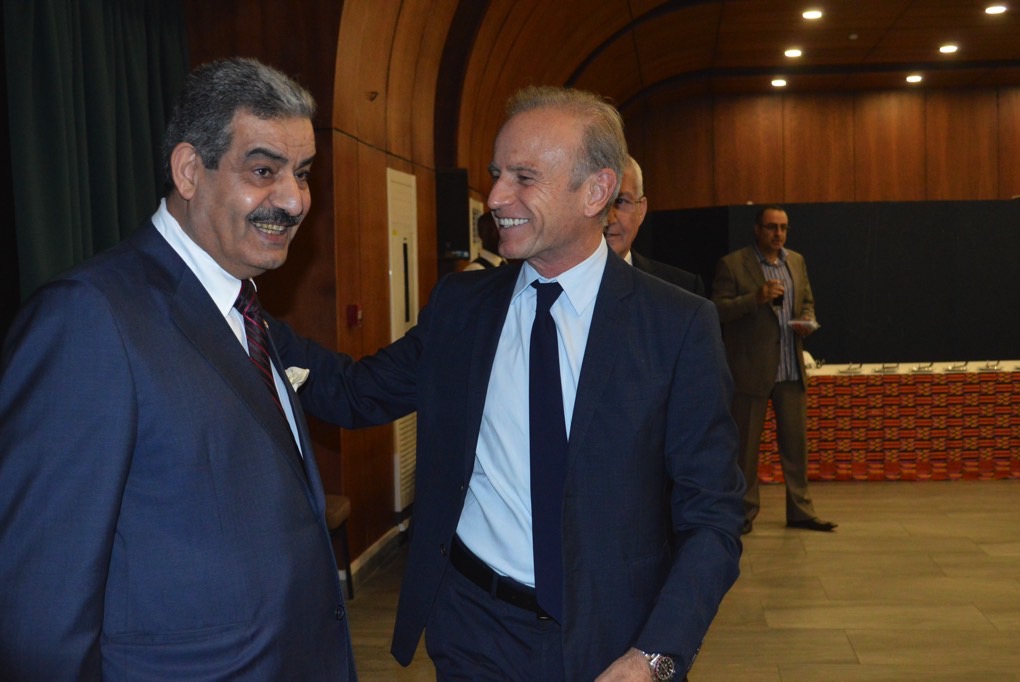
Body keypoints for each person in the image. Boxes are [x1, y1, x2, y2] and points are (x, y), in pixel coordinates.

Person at [271, 85, 744, 681]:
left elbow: (713, 517)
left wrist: (655, 653)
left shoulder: (677, 326)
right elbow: (355, 392)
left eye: (524, 177)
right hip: (472, 630)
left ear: (596, 191)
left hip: (612, 641)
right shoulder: (462, 306)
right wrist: (243, 315)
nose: (495, 197)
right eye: (497, 174)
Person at [0, 58, 357, 679]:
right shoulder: (89, 318)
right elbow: (41, 603)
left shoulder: (245, 310)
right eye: (264, 171)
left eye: (301, 174)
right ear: (190, 170)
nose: (294, 200)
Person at [710, 205, 836, 536]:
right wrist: (755, 298)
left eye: (783, 228)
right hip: (750, 372)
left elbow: (806, 301)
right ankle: (742, 513)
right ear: (757, 229)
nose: (778, 234)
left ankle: (801, 511)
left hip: (790, 369)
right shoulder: (733, 264)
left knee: (796, 448)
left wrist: (806, 320)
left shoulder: (796, 261)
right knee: (746, 452)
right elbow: (717, 310)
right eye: (771, 227)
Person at [604, 156, 705, 296]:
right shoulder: (569, 281)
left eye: (620, 201)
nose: (609, 218)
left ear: (641, 210)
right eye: (601, 202)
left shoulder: (682, 290)